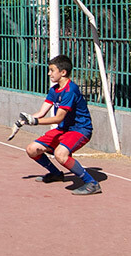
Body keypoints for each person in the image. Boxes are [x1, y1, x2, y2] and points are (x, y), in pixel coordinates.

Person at [19, 54, 101, 195]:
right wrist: (24, 120)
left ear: (63, 72)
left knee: (60, 154)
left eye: (52, 70)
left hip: (80, 129)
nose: (49, 73)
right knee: (32, 149)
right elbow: (41, 112)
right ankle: (56, 174)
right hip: (64, 129)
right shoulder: (54, 89)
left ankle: (92, 183)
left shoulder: (70, 90)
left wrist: (36, 122)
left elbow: (58, 118)